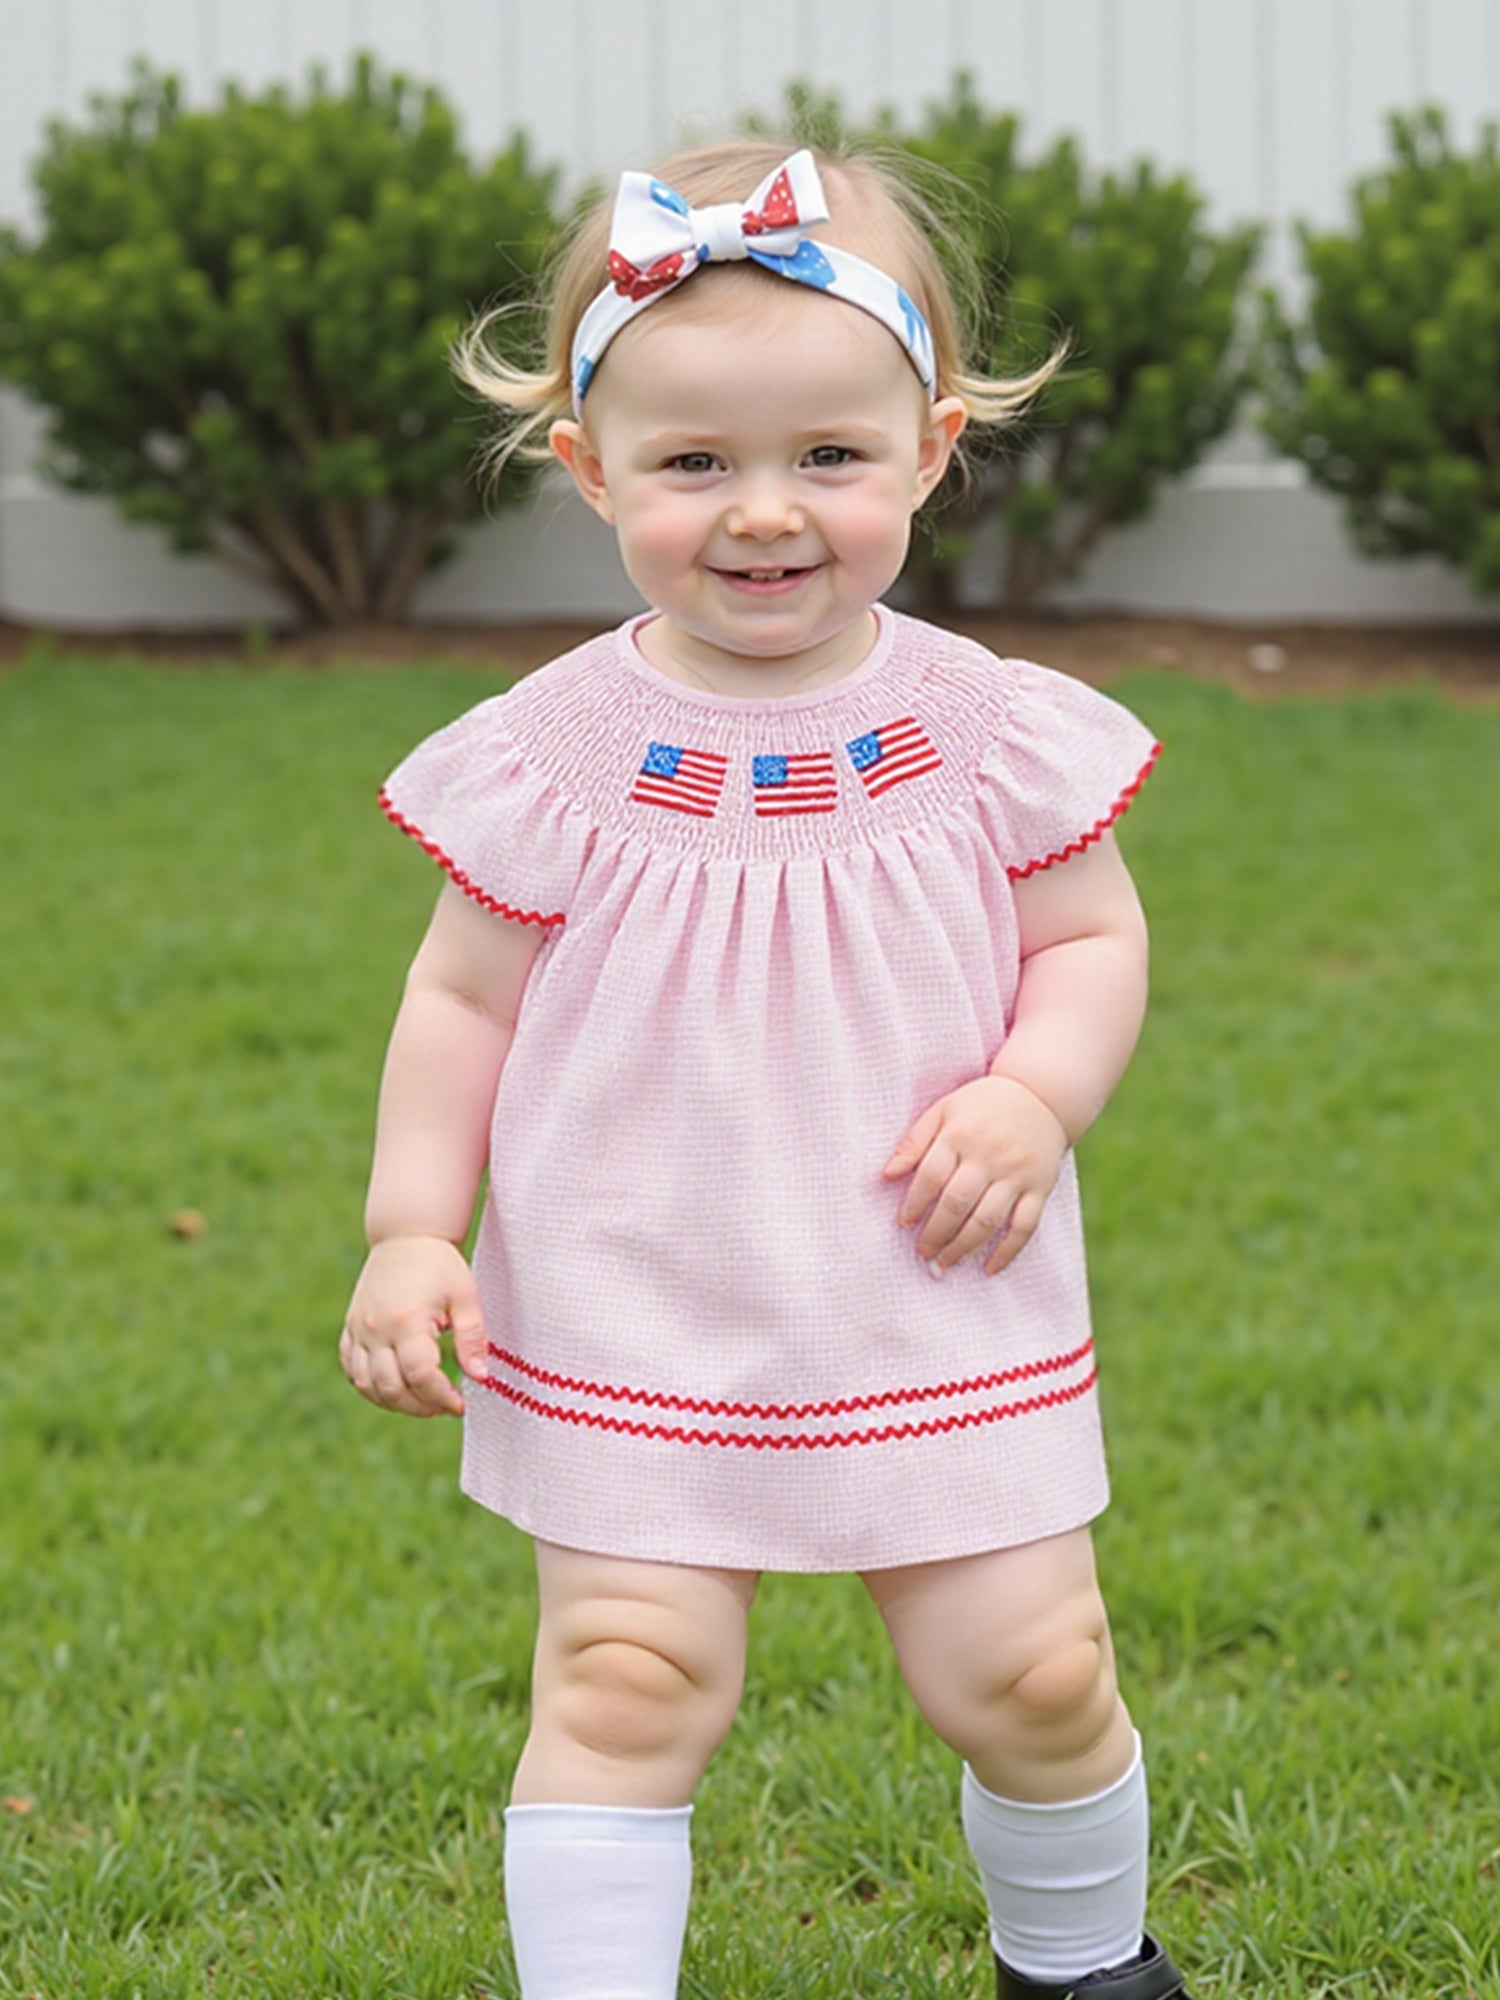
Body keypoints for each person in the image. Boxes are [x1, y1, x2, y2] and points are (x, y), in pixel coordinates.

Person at [340, 138, 1190, 2000]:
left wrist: (1033, 1094)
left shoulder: (984, 731)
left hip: (929, 1279)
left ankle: (1087, 1966)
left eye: (828, 456)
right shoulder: (554, 749)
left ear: (932, 449)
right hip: (640, 1285)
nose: (764, 513)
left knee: (1032, 1674)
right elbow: (459, 1002)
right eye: (694, 464)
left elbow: (1092, 943)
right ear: (590, 469)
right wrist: (415, 1226)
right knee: (627, 1682)